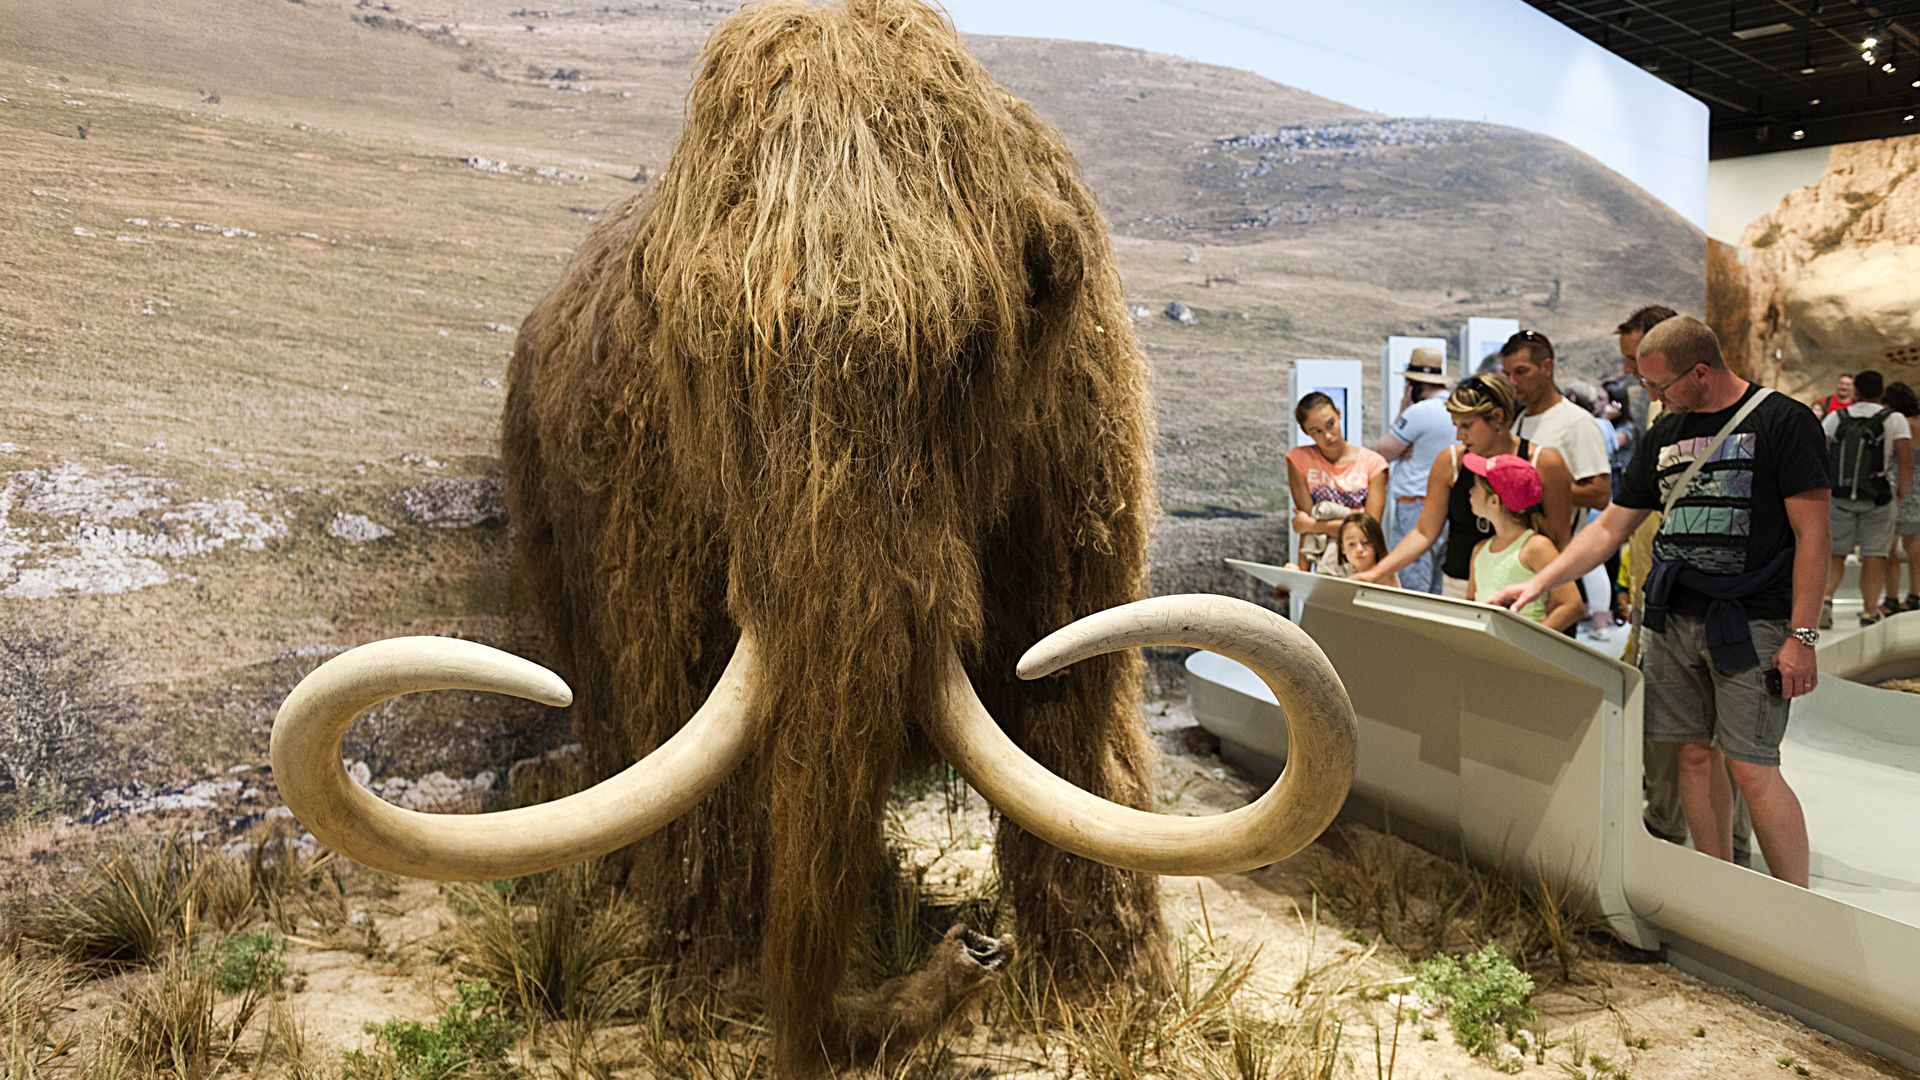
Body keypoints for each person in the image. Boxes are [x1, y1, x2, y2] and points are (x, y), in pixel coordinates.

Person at [1490, 317, 1829, 887]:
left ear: (1701, 371)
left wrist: (1803, 635)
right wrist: (1536, 582)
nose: (1652, 396)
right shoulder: (1666, 433)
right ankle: (1716, 884)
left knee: (1751, 764)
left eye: (1659, 384)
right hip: (1673, 619)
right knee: (1693, 755)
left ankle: (1797, 902)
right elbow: (1608, 530)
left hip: (1753, 620)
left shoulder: (1783, 422)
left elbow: (1814, 534)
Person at [1350, 373, 1572, 599]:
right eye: (1456, 425)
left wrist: (1559, 600)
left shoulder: (1545, 463)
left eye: (1467, 425)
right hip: (1460, 587)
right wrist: (1377, 573)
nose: (1459, 435)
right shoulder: (1450, 462)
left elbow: (1560, 540)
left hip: (1526, 590)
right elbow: (1424, 532)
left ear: (1497, 417)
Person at [1821, 369, 1913, 628]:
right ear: (1882, 392)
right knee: (1874, 555)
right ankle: (1869, 611)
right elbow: (1905, 459)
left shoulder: (1835, 417)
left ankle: (1826, 599)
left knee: (1836, 554)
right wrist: (1901, 491)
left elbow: (1820, 451)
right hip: (1878, 497)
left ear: (1856, 391)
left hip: (1839, 496)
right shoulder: (1894, 419)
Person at [1463, 453, 1583, 631]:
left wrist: (1530, 643)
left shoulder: (1536, 547)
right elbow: (1471, 604)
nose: (1470, 491)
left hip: (1518, 651)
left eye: (1476, 486)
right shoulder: (1479, 550)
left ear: (1494, 501)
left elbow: (1572, 605)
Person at [1501, 331, 1613, 512]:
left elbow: (1599, 495)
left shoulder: (1577, 423)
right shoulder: (1520, 420)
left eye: (1521, 372)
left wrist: (1538, 490)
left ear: (1547, 367)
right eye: (1508, 374)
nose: (1513, 381)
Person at [1373, 349, 1454, 594]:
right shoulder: (1454, 407)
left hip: (1415, 507)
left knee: (1412, 586)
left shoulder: (1419, 411)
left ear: (1413, 385)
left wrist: (1402, 408)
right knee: (1434, 585)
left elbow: (1383, 450)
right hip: (1445, 507)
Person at [1287, 392, 1387, 575]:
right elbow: (1307, 526)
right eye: (1316, 431)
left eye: (1331, 424)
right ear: (1305, 432)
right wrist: (1301, 573)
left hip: (1364, 567)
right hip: (1323, 564)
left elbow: (1368, 529)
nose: (1328, 436)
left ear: (1339, 413)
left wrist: (1312, 525)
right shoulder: (1298, 459)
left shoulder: (1374, 463)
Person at [1882, 382, 1920, 614]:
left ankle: (1891, 597)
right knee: (1915, 543)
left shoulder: (1901, 423)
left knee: (1890, 545)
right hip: (1919, 483)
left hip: (1902, 482)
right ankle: (1916, 594)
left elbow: (1903, 458)